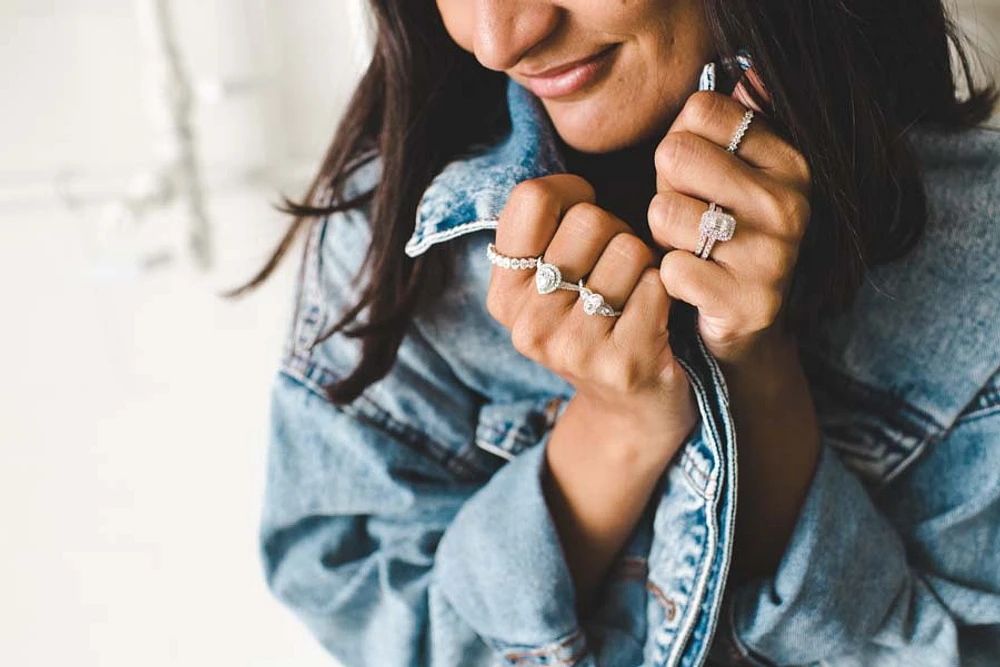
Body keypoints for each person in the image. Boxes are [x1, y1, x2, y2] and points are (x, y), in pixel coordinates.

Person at [237, 1, 1000, 665]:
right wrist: (614, 428)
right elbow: (369, 617)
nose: (500, 39)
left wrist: (757, 374)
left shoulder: (981, 262)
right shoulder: (392, 230)